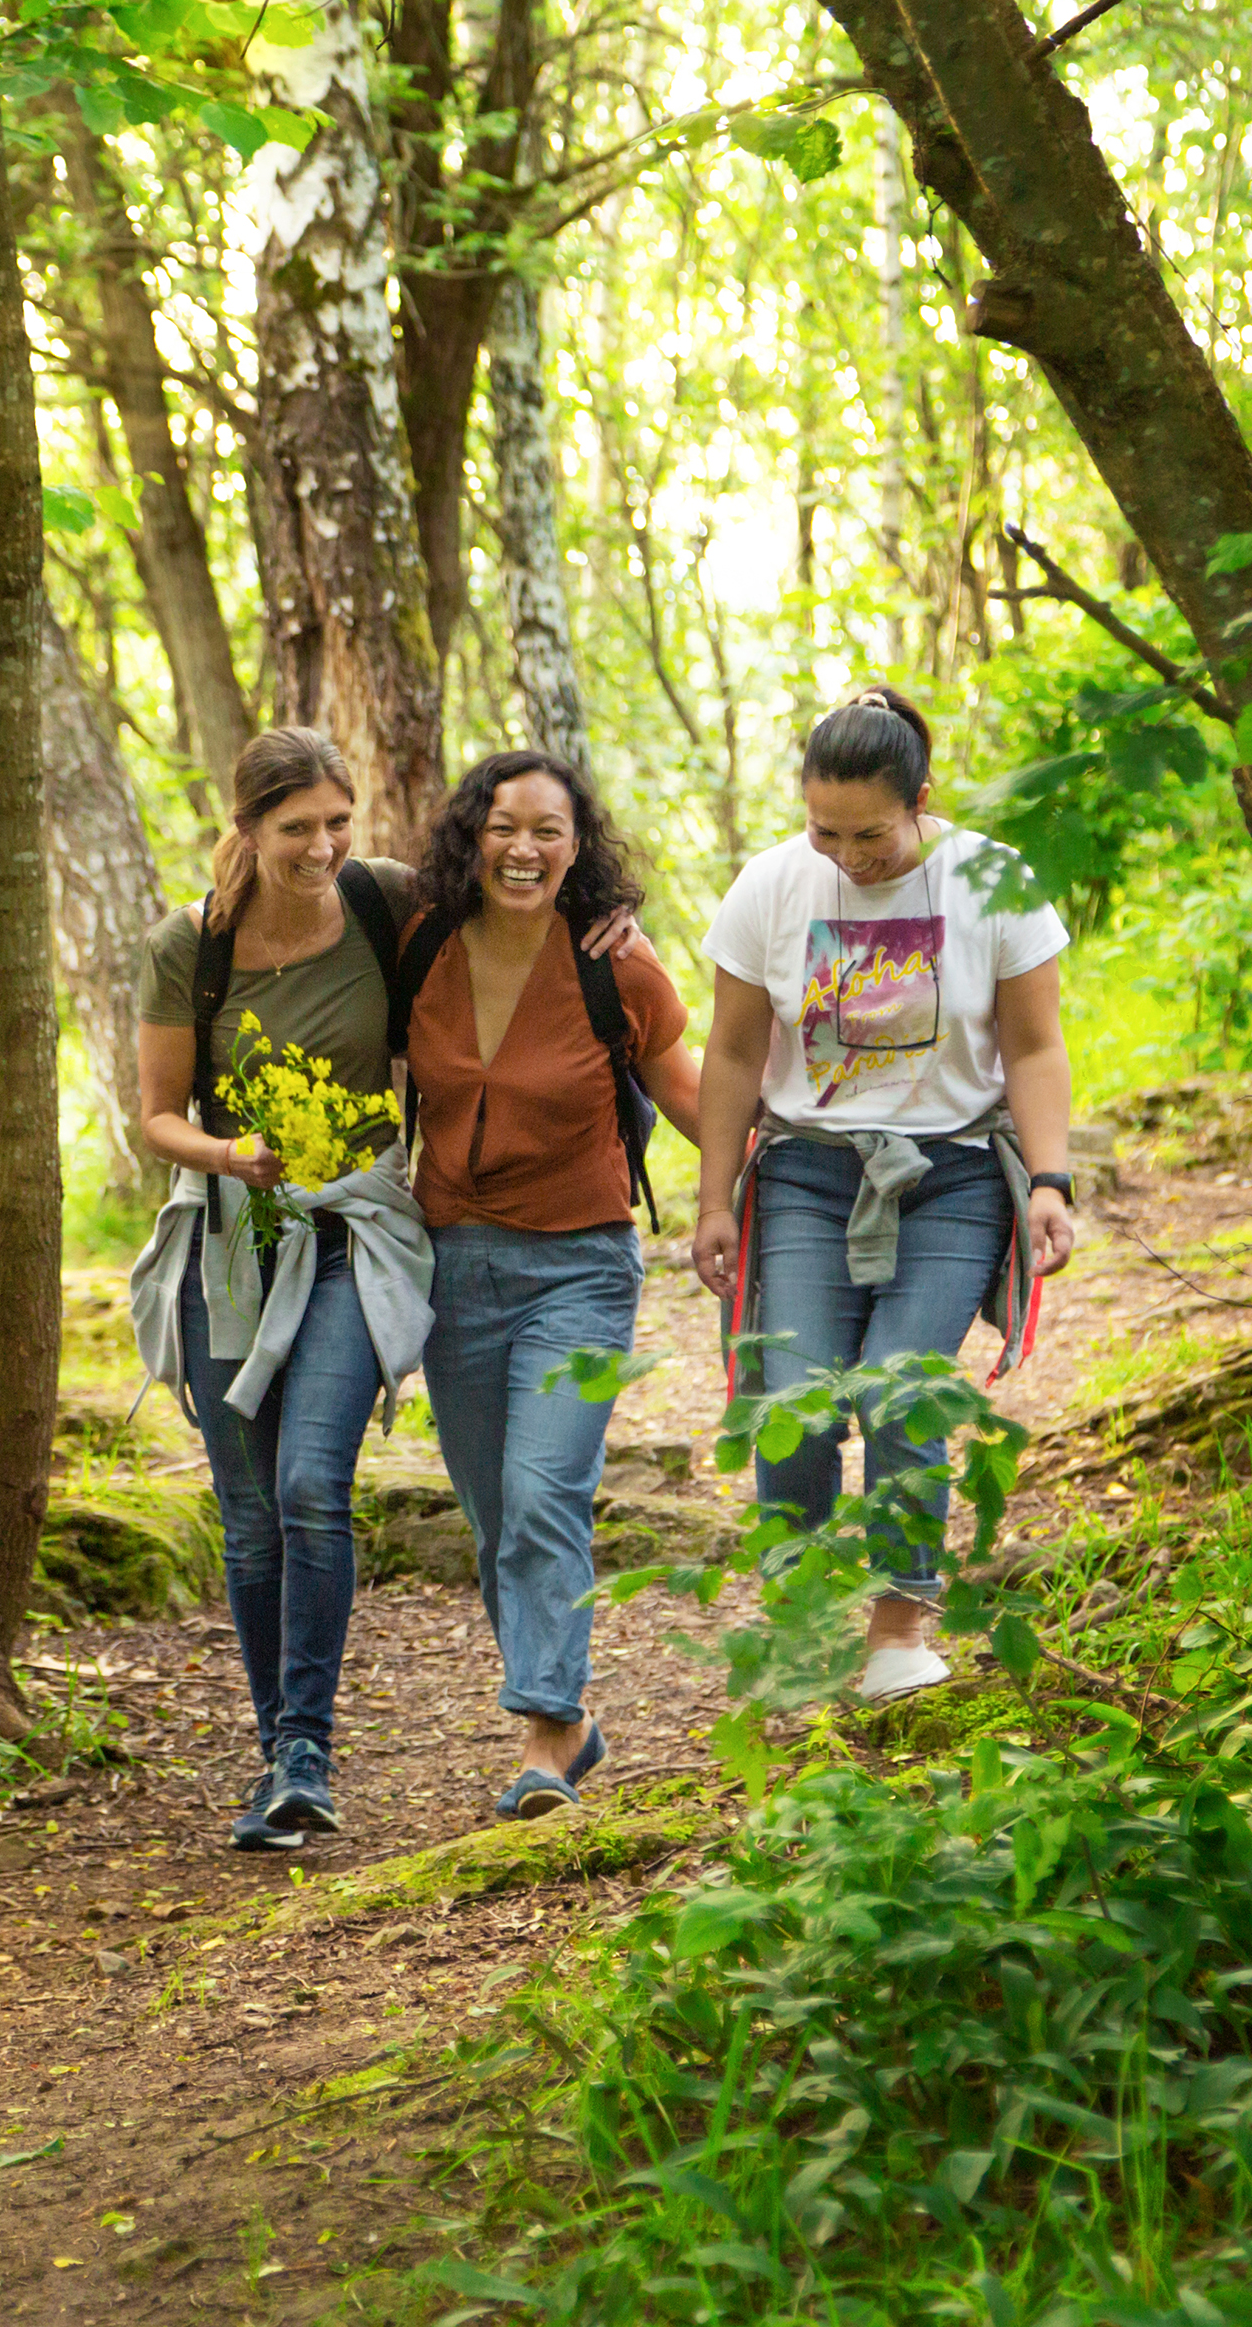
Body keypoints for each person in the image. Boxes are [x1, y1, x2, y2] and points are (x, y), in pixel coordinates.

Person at [688, 685, 1077, 1704]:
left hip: (948, 1173)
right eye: (825, 830)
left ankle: (899, 1628)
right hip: (809, 1173)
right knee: (797, 1395)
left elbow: (1034, 1045)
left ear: (920, 799)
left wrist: (1047, 1179)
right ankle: (801, 1625)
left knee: (902, 1381)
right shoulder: (771, 885)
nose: (848, 857)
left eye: (869, 834)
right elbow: (731, 1053)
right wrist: (712, 1199)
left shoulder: (989, 879)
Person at [128, 728, 429, 1852]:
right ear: (246, 829)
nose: (321, 845)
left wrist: (615, 918)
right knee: (249, 1517)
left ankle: (306, 1743)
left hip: (352, 1229)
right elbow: (155, 1114)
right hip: (236, 1236)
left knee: (312, 1482)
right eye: (295, 826)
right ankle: (279, 1758)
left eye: (336, 821)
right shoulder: (189, 945)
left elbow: (521, 908)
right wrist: (227, 1155)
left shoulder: (384, 900)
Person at [399, 751, 702, 1820]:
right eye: (500, 826)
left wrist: (763, 1200)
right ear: (468, 836)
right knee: (493, 1515)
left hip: (577, 1265)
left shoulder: (614, 965)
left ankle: (545, 1725)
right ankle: (564, 1718)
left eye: (546, 830)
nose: (521, 848)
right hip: (450, 1271)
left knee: (542, 1493)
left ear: (578, 847)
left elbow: (694, 1096)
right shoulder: (420, 938)